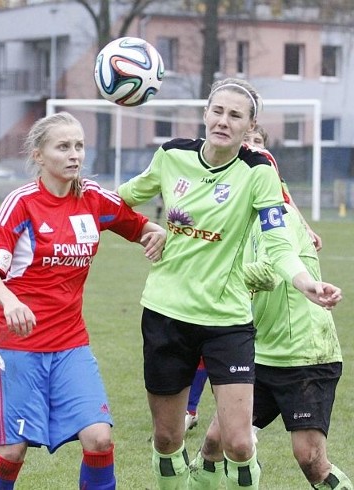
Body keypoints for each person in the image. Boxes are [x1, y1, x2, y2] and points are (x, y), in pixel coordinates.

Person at [116, 78, 342, 489]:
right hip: (167, 313)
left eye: (235, 115)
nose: (223, 121)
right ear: (205, 114)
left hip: (227, 320)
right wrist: (147, 227)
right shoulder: (171, 157)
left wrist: (305, 281)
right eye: (218, 111)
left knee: (238, 444)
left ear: (249, 126)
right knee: (168, 438)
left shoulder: (258, 172)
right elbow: (119, 200)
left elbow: (277, 241)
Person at [0, 111, 166, 489]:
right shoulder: (22, 202)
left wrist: (153, 229)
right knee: (12, 452)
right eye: (63, 147)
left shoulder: (92, 198)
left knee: (99, 438)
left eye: (79, 146)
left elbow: (135, 223)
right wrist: (10, 301)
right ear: (39, 156)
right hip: (15, 346)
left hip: (70, 346)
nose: (74, 154)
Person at [189, 199, 352, 490]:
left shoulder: (280, 215)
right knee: (215, 441)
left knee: (311, 459)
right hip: (260, 353)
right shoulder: (232, 216)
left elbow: (269, 273)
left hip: (306, 354)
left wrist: (209, 274)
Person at [243, 124, 322, 251]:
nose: (251, 144)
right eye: (246, 139)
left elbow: (287, 200)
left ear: (264, 146)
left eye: (257, 141)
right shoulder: (231, 166)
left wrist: (306, 228)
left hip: (264, 227)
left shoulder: (268, 167)